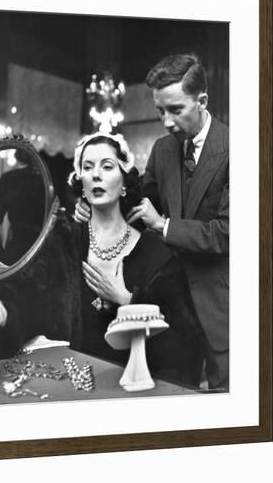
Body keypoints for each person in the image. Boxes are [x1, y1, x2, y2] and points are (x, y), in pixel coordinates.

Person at [0, 132, 203, 387]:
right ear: (80, 181)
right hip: (68, 387)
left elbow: (187, 345)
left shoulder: (155, 253)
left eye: (107, 166)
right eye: (87, 167)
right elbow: (27, 299)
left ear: (124, 180)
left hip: (132, 391)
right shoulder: (63, 242)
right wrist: (2, 315)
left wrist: (128, 302)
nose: (96, 174)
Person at [76, 54, 229, 391]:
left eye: (175, 110)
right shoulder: (162, 150)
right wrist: (90, 203)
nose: (166, 121)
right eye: (160, 111)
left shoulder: (238, 149)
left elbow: (227, 234)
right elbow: (136, 205)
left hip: (221, 310)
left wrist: (163, 225)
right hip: (171, 312)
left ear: (202, 101)